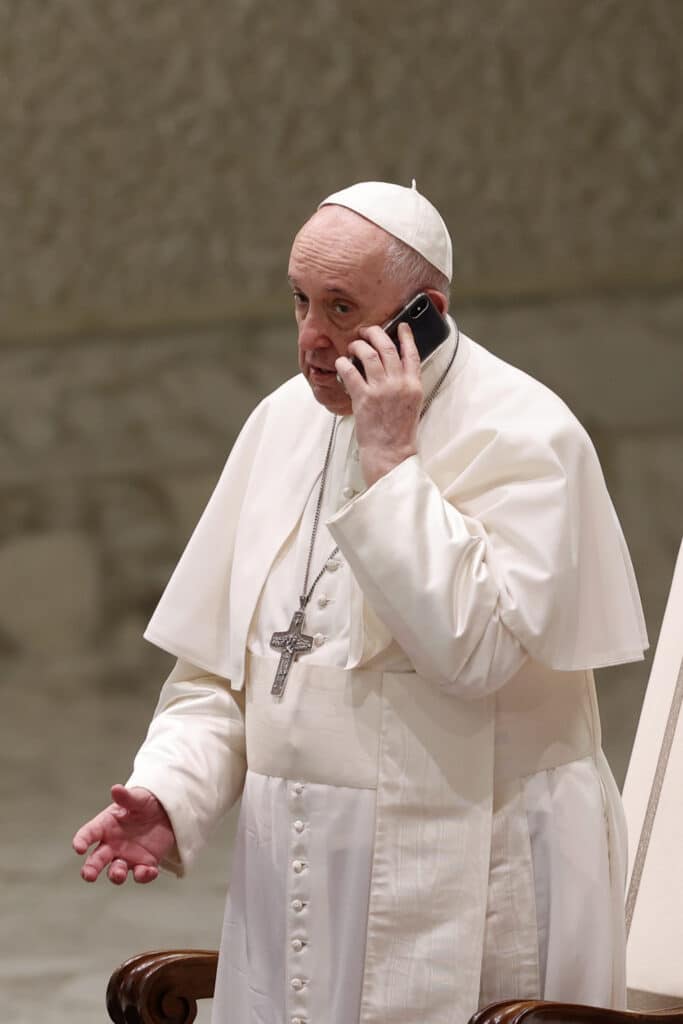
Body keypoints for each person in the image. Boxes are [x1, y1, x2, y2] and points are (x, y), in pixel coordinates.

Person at [73, 181, 648, 1024]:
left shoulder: (528, 434)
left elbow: (474, 656)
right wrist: (171, 791)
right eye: (300, 302)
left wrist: (390, 465)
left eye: (342, 309)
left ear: (425, 311)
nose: (311, 340)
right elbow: (227, 674)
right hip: (300, 875)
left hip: (475, 864)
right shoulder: (278, 425)